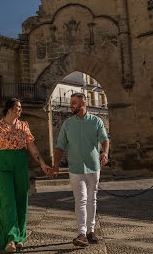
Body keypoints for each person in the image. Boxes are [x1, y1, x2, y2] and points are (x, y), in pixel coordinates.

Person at [0, 98, 52, 253]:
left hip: (20, 163)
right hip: (3, 164)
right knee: (8, 201)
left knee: (21, 200)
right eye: (18, 107)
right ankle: (11, 238)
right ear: (9, 109)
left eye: (21, 107)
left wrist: (42, 164)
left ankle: (20, 237)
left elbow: (32, 147)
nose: (20, 110)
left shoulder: (23, 126)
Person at [51, 93, 109, 247]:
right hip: (75, 168)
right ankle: (82, 233)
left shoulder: (96, 121)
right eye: (71, 103)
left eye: (74, 103)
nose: (71, 105)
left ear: (83, 102)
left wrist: (105, 152)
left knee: (92, 199)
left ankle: (91, 231)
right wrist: (56, 164)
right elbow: (60, 145)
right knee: (81, 199)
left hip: (93, 166)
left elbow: (104, 139)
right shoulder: (67, 124)